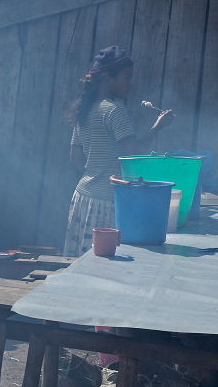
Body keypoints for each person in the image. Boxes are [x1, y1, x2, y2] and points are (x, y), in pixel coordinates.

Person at [61, 46, 174, 256]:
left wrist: (96, 170)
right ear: (107, 78)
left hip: (84, 198)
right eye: (126, 77)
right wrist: (158, 127)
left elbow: (76, 160)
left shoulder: (86, 110)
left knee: (81, 261)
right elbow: (133, 155)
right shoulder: (114, 110)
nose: (130, 84)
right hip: (108, 202)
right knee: (105, 265)